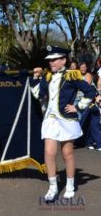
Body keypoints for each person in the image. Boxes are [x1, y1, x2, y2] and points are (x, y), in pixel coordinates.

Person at [31, 45, 96, 200]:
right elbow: (38, 94)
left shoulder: (72, 75)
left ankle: (70, 185)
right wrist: (35, 78)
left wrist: (78, 107)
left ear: (63, 60)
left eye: (54, 60)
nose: (51, 63)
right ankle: (52, 187)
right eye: (50, 60)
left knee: (67, 153)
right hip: (50, 120)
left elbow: (91, 92)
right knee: (49, 153)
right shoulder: (47, 77)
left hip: (66, 120)